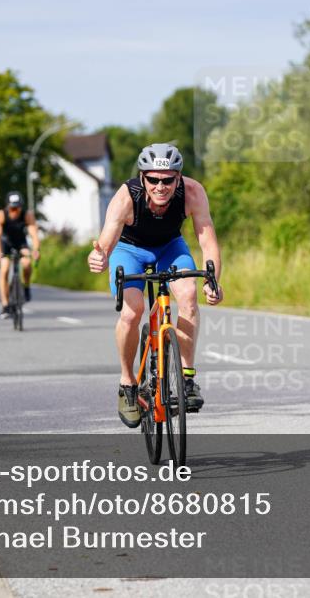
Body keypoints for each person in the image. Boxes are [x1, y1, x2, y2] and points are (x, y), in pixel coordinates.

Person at [87, 143, 223, 428]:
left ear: (178, 178)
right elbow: (108, 240)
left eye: (168, 180)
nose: (160, 186)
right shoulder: (126, 196)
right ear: (142, 177)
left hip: (170, 248)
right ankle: (127, 384)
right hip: (130, 250)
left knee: (187, 296)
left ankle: (186, 379)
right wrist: (99, 257)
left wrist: (213, 281)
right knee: (131, 312)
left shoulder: (193, 192)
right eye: (153, 180)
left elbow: (207, 241)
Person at [0, 191, 40, 319]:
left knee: (27, 263)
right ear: (7, 206)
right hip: (5, 245)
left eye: (17, 207)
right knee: (5, 268)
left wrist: (35, 250)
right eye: (12, 207)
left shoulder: (27, 215)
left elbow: (34, 234)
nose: (15, 211)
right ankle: (6, 305)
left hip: (20, 244)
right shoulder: (0, 216)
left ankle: (26, 287)